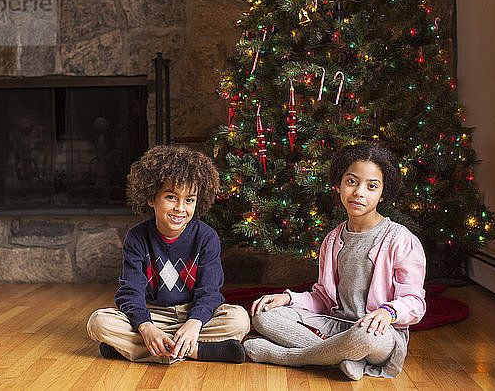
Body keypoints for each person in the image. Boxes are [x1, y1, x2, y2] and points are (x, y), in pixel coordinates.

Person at [243, 142, 426, 380]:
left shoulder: (401, 240)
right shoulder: (332, 240)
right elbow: (322, 298)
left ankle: (288, 357)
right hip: (336, 325)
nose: (359, 192)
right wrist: (288, 298)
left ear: (383, 194)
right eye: (351, 181)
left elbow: (415, 302)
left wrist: (388, 313)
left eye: (372, 186)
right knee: (263, 315)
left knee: (363, 336)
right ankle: (343, 360)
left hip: (378, 333)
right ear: (339, 184)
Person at [87, 144, 250, 364]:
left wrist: (194, 323)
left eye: (189, 200)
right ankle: (196, 351)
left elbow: (210, 291)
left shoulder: (206, 237)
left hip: (192, 313)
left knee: (239, 320)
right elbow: (130, 291)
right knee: (98, 322)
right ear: (151, 198)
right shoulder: (137, 237)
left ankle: (138, 350)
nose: (181, 208)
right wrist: (146, 328)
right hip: (152, 315)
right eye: (171, 197)